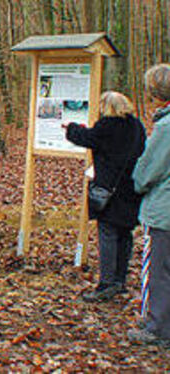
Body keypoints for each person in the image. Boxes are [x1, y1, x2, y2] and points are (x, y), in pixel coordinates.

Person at [65, 91, 146, 302]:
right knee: (125, 233)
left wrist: (71, 127)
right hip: (131, 187)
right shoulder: (136, 126)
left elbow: (86, 138)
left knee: (108, 233)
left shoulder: (107, 126)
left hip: (109, 189)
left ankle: (106, 284)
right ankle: (119, 280)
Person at [129, 64, 170, 345]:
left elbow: (146, 172)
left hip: (164, 211)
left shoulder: (166, 127)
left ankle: (157, 326)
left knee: (157, 270)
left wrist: (137, 179)